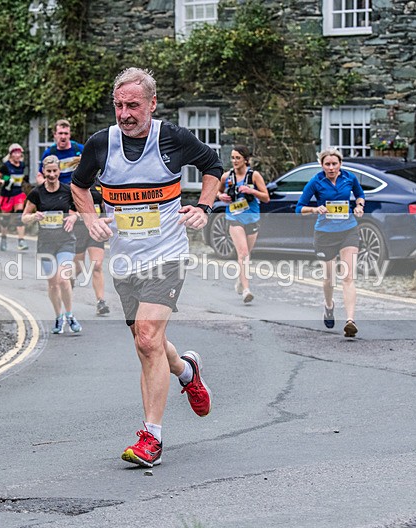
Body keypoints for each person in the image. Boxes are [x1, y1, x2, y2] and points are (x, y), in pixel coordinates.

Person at [72, 67, 223, 468]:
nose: (125, 113)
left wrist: (204, 206)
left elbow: (214, 167)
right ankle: (187, 370)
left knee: (147, 335)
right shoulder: (101, 144)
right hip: (125, 258)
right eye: (119, 105)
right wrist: (90, 218)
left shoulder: (172, 138)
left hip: (167, 253)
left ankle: (150, 438)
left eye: (133, 105)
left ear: (152, 104)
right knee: (149, 344)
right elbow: (79, 185)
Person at [296, 147, 366, 338]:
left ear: (340, 164)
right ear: (322, 165)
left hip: (348, 231)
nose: (331, 167)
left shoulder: (349, 178)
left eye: (335, 164)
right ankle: (329, 306)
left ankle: (350, 321)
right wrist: (315, 209)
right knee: (329, 278)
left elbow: (360, 195)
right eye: (327, 164)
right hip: (325, 233)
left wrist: (359, 206)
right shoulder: (316, 181)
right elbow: (299, 207)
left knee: (348, 276)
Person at [22, 155, 82, 334]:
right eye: (48, 171)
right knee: (53, 283)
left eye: (55, 171)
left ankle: (70, 315)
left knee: (63, 280)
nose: (52, 174)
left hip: (65, 241)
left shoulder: (67, 190)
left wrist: (73, 216)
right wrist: (34, 217)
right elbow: (24, 217)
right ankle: (59, 317)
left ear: (59, 171)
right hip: (46, 245)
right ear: (43, 172)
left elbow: (78, 211)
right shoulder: (36, 193)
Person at [216, 145, 269, 303]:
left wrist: (252, 191)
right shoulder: (227, 176)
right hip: (234, 218)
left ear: (246, 160)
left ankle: (241, 280)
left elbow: (266, 197)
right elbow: (217, 191)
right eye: (232, 158)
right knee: (243, 253)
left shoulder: (254, 176)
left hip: (252, 218)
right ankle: (246, 290)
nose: (234, 161)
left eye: (238, 158)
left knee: (246, 254)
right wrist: (221, 196)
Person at [73, 183, 111, 316]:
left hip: (96, 227)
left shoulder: (100, 183)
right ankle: (68, 283)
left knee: (97, 265)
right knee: (78, 266)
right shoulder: (75, 182)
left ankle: (101, 301)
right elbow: (68, 207)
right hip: (79, 229)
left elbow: (104, 203)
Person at [0, 143, 29, 251]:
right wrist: (3, 181)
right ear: (11, 154)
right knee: (5, 219)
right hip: (7, 195)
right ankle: (3, 238)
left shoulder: (22, 165)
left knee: (19, 216)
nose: (17, 155)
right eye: (15, 153)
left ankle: (21, 241)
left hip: (18, 193)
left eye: (19, 153)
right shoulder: (6, 166)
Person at [36, 119, 84, 186]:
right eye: (60, 133)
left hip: (77, 188)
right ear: (55, 134)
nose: (63, 137)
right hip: (58, 191)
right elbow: (39, 175)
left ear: (69, 135)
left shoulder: (80, 149)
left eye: (66, 133)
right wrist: (47, 186)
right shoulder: (49, 153)